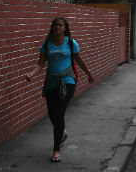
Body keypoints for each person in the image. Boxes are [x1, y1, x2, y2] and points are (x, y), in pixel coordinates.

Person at [25, 17, 94, 163]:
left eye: (60, 25)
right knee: (51, 113)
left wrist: (88, 73)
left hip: (68, 81)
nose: (57, 27)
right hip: (51, 81)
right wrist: (31, 74)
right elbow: (40, 64)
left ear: (65, 28)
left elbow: (79, 60)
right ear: (52, 27)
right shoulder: (47, 44)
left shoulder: (70, 43)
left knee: (59, 112)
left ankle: (56, 150)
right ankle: (62, 132)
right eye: (55, 25)